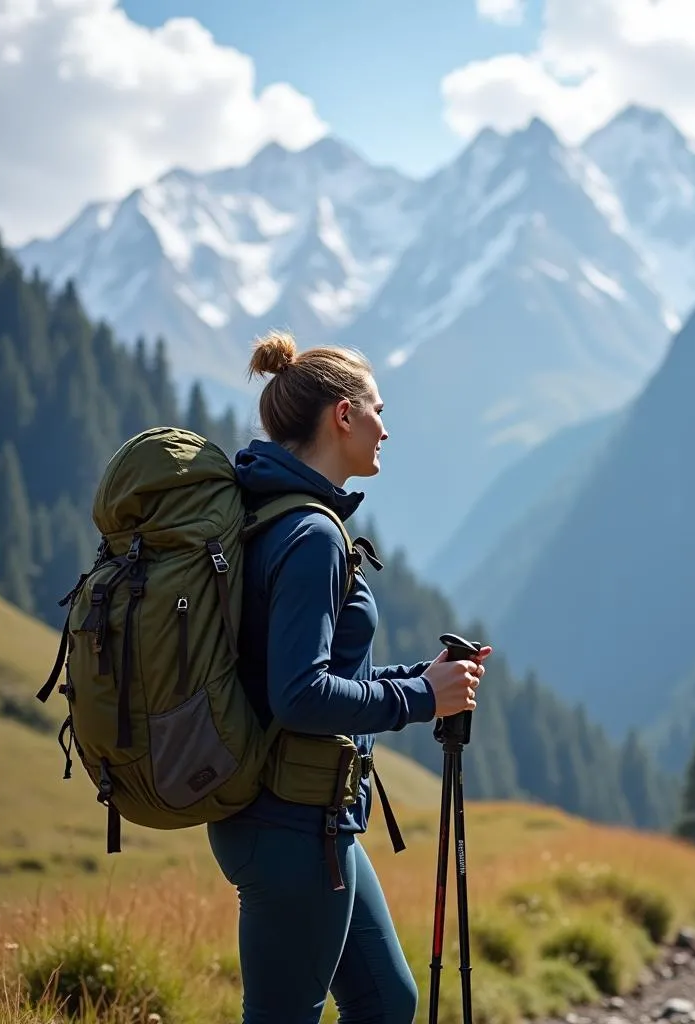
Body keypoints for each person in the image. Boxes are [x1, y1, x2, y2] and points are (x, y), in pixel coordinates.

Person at [207, 329, 492, 1024]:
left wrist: (420, 679)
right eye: (376, 411)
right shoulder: (311, 536)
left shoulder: (274, 514)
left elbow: (307, 671)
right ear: (342, 415)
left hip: (307, 817)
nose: (385, 430)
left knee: (387, 1001)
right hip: (292, 824)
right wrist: (421, 697)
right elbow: (300, 695)